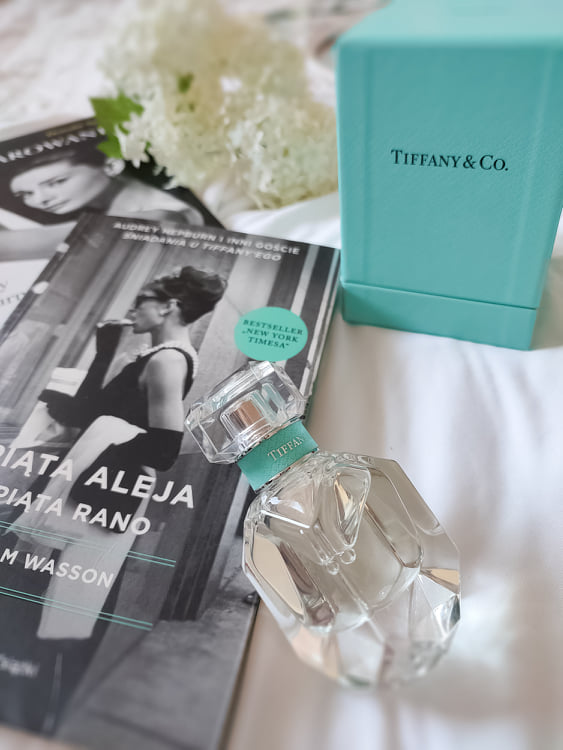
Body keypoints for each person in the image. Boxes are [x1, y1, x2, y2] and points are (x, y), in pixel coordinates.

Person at [7, 264, 226, 731]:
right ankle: (34, 703)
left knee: (65, 606)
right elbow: (88, 413)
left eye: (141, 299)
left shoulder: (168, 361)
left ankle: (41, 711)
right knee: (48, 598)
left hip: (101, 494)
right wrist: (104, 351)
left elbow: (164, 449)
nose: (133, 308)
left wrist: (104, 434)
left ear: (168, 306)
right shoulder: (152, 355)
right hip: (90, 487)